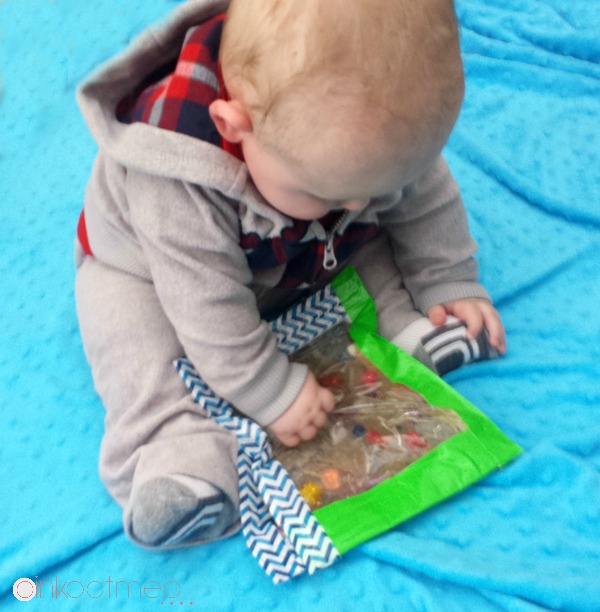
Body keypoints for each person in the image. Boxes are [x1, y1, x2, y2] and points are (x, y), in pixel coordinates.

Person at [75, 0, 506, 549]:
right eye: (326, 190)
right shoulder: (175, 175)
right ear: (236, 124)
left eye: (372, 185)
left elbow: (421, 194)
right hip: (153, 270)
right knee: (131, 337)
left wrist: (449, 275)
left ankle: (407, 326)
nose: (357, 202)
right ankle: (173, 454)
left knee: (369, 225)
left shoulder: (346, 157)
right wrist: (271, 390)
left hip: (288, 251)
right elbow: (206, 310)